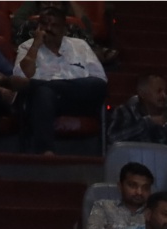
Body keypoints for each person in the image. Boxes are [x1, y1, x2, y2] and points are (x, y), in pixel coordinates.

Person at [14, 4, 107, 154]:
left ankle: (45, 86)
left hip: (78, 101)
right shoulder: (27, 47)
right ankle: (46, 152)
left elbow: (99, 79)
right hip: (45, 103)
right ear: (38, 27)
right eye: (44, 24)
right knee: (43, 93)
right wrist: (35, 46)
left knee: (97, 85)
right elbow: (21, 80)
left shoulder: (80, 46)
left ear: (64, 29)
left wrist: (45, 85)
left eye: (55, 25)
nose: (49, 29)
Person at [106, 73, 167, 160]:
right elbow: (113, 138)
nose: (164, 95)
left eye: (165, 91)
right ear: (142, 94)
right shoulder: (125, 112)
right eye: (159, 91)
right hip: (137, 165)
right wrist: (147, 122)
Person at [85, 162, 153, 229]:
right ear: (120, 186)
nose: (139, 192)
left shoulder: (154, 213)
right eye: (132, 186)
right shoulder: (103, 206)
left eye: (145, 188)